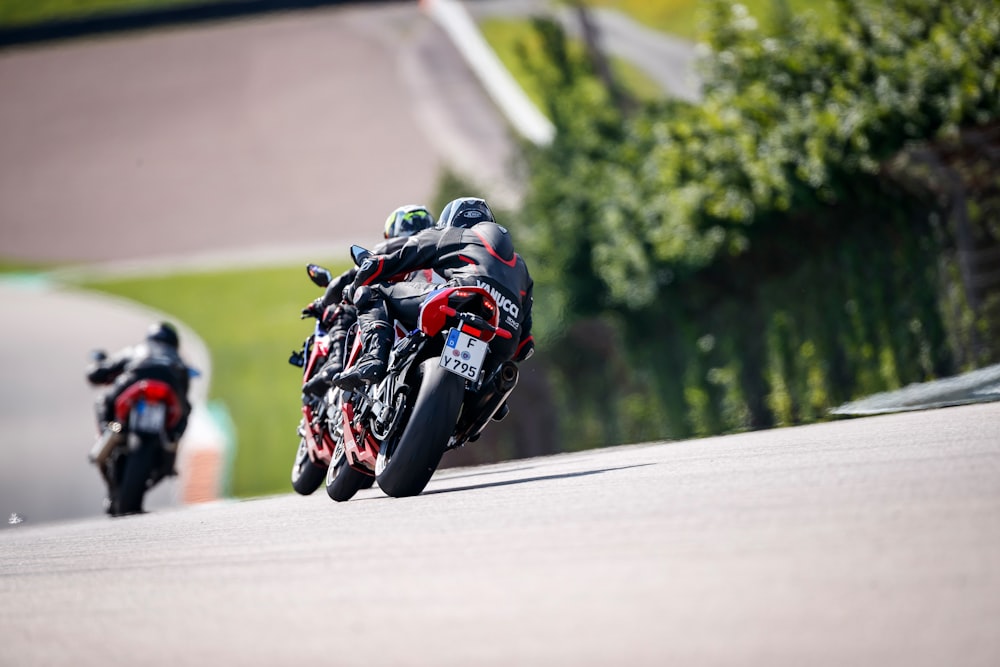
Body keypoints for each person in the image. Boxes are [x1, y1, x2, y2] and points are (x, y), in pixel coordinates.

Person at [331, 196, 534, 392]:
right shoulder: (521, 266)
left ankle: (374, 358)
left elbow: (389, 263)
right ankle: (482, 408)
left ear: (450, 220)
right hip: (505, 335)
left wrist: (354, 287)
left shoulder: (450, 234)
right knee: (493, 384)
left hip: (460, 300)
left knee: (372, 292)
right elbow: (524, 346)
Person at [301, 204, 437, 397]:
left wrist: (323, 303)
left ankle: (338, 361)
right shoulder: (439, 247)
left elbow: (347, 280)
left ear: (392, 231)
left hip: (404, 309)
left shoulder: (392, 248)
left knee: (356, 298)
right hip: (433, 312)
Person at [86, 321, 193, 476]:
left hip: (135, 381)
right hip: (169, 390)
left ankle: (109, 431)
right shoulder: (179, 361)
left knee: (104, 401)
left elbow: (99, 372)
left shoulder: (137, 350)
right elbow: (184, 400)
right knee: (186, 409)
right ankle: (172, 440)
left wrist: (96, 369)